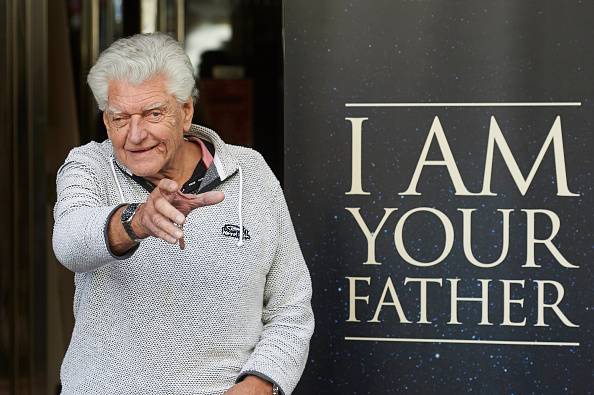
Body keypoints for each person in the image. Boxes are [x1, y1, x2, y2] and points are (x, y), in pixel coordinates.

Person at [52, 32, 314, 395]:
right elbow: (69, 242)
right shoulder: (89, 166)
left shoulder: (251, 172)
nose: (135, 134)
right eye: (119, 118)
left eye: (153, 113)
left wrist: (260, 383)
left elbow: (291, 306)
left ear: (186, 111)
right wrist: (137, 221)